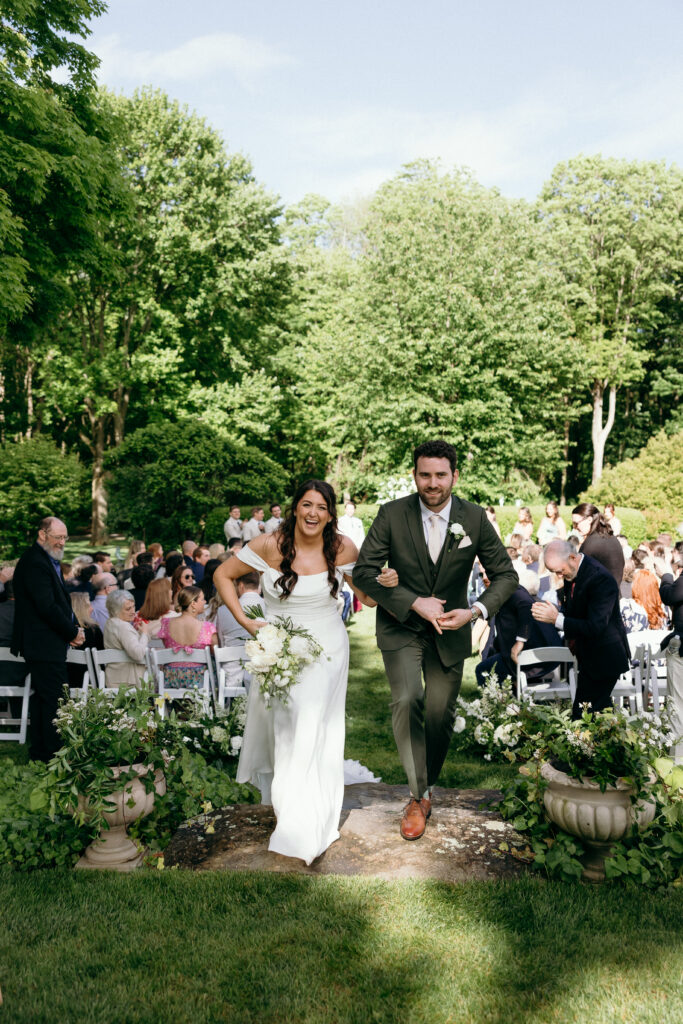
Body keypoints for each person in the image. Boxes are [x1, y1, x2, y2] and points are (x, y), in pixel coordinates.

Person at [352, 439, 518, 841]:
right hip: (401, 626)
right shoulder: (392, 514)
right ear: (415, 475)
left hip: (452, 629)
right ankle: (417, 795)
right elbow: (363, 572)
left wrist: (475, 611)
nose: (432, 483)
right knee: (407, 698)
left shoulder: (474, 519)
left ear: (454, 476)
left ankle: (425, 788)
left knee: (440, 716)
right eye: (424, 474)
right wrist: (412, 602)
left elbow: (507, 576)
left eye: (440, 475)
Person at [213, 480, 377, 865]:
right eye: (307, 504)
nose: (313, 513)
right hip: (281, 648)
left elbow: (366, 598)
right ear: (295, 508)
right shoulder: (270, 544)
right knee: (286, 729)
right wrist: (246, 621)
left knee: (317, 727)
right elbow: (223, 575)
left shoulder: (342, 548)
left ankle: (311, 819)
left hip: (328, 650)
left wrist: (383, 583)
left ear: (331, 514)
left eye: (321, 507)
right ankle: (289, 809)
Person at [11, 517, 84, 761]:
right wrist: (71, 632)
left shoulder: (44, 560)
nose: (62, 542)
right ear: (42, 535)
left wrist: (72, 627)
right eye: (57, 537)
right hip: (42, 642)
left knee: (46, 698)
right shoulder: (34, 562)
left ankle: (42, 753)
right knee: (54, 699)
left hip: (45, 641)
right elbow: (47, 607)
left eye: (65, 538)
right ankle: (52, 755)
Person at [532, 539, 630, 719]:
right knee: (598, 715)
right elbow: (575, 611)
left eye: (559, 570)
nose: (559, 575)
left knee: (583, 717)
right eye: (554, 572)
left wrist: (557, 619)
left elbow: (595, 626)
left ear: (572, 557)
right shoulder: (573, 572)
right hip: (589, 656)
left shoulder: (600, 578)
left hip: (606, 656)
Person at [157, 586, 217, 688]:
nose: (205, 601)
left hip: (171, 677)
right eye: (202, 599)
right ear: (193, 604)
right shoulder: (207, 627)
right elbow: (215, 652)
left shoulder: (166, 624)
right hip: (198, 679)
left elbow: (166, 646)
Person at [102, 590, 151, 688]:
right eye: (128, 609)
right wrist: (145, 633)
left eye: (133, 606)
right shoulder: (123, 627)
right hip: (129, 682)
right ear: (116, 611)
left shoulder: (110, 623)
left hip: (114, 678)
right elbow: (138, 654)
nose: (133, 612)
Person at [571, 502, 624, 584]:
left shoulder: (591, 543)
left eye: (576, 523)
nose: (575, 527)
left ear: (589, 520)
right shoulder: (609, 537)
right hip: (614, 593)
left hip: (599, 594)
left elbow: (579, 575)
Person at [68, 593, 104, 689]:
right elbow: (103, 657)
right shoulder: (93, 630)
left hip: (66, 681)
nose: (92, 609)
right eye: (88, 605)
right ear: (80, 608)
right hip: (91, 681)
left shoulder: (64, 630)